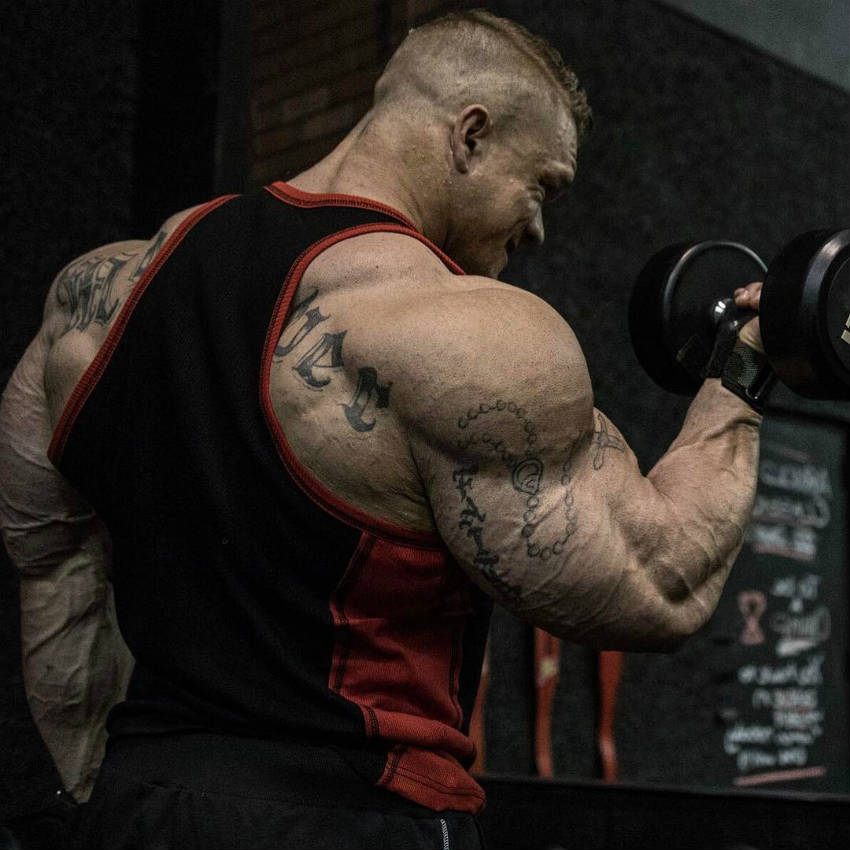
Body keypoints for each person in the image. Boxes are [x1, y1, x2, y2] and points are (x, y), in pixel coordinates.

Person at [0, 9, 768, 849]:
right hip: (356, 817)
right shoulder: (469, 335)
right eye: (541, 185)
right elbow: (659, 585)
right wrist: (747, 373)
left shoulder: (97, 299)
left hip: (136, 803)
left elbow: (58, 577)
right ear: (470, 136)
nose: (540, 227)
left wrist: (100, 797)